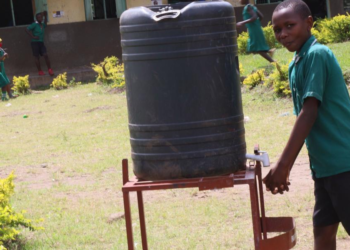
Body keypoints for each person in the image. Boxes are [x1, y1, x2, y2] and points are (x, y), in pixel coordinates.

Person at [263, 0, 350, 249]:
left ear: (309, 23)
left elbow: (309, 112)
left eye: (290, 25)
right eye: (278, 29)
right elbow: (307, 121)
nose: (283, 34)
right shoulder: (297, 63)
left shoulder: (317, 54)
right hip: (324, 167)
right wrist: (286, 166)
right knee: (323, 234)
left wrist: (283, 164)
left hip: (343, 162)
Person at [26, 11, 54, 76]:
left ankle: (50, 70)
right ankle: (40, 71)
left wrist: (45, 16)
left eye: (41, 17)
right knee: (36, 57)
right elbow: (26, 29)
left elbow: (45, 24)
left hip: (41, 42)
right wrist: (33, 36)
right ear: (36, 18)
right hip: (34, 43)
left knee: (45, 55)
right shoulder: (34, 24)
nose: (40, 18)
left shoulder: (42, 25)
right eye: (38, 17)